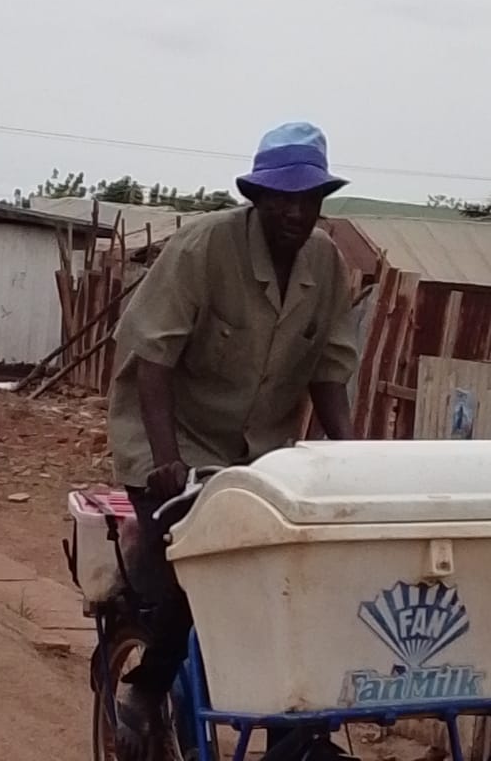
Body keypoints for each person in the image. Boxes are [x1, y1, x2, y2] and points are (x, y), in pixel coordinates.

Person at [108, 122, 359, 759]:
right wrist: (167, 462)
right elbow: (154, 360)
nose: (294, 211)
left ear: (322, 199)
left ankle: (294, 732)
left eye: (308, 198)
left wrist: (354, 459)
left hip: (262, 457)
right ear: (256, 195)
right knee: (200, 567)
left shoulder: (326, 263)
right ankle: (144, 686)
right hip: (172, 440)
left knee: (300, 578)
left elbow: (330, 368)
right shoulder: (202, 249)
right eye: (280, 197)